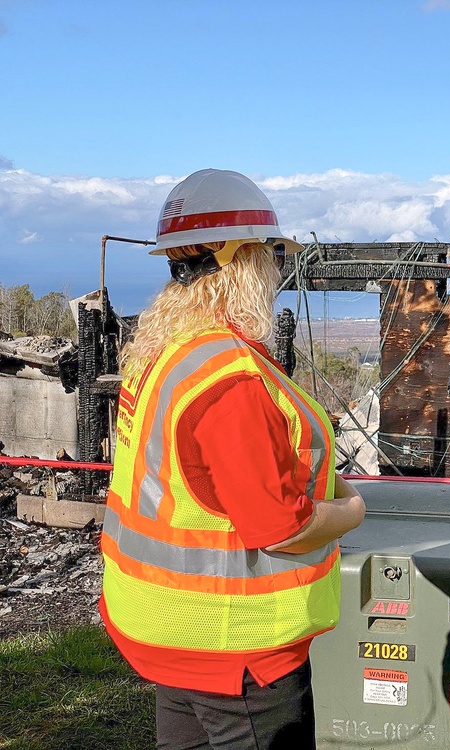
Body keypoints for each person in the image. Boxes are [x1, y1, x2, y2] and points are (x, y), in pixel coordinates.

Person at [100, 168, 366, 749]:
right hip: (236, 648)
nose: (275, 272)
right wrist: (352, 510)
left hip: (167, 628)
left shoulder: (165, 353)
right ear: (243, 261)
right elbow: (278, 528)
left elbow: (194, 479)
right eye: (271, 257)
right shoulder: (230, 379)